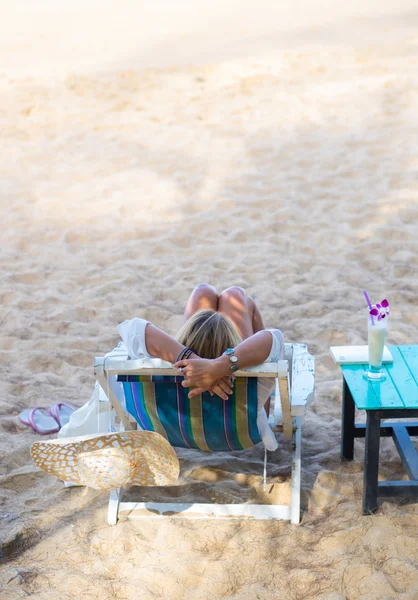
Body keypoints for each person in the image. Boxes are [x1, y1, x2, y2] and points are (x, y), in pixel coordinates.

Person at [117, 284, 284, 451]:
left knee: (203, 292)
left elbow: (132, 328)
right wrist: (219, 366)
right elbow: (274, 338)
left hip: (175, 429)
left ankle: (195, 337)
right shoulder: (251, 381)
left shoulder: (163, 368)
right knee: (237, 296)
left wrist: (190, 358)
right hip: (242, 429)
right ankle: (236, 303)